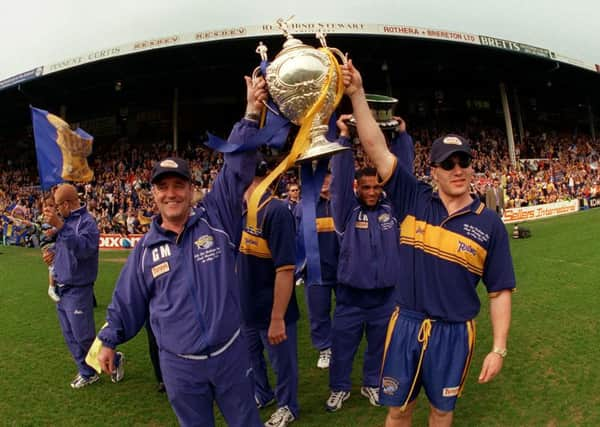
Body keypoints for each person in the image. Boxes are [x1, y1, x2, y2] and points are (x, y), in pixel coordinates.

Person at [342, 60, 516, 427]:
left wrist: (499, 349)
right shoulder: (413, 197)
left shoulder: (490, 225)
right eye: (447, 164)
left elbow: (500, 291)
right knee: (399, 411)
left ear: (471, 167)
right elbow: (375, 147)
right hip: (406, 323)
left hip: (455, 332)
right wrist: (357, 92)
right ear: (433, 170)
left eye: (463, 162)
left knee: (441, 412)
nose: (457, 170)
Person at [95, 76, 266, 427]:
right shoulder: (144, 250)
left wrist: (250, 114)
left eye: (178, 186)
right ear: (153, 195)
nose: (171, 194)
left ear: (191, 190)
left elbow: (236, 171)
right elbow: (126, 302)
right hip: (179, 365)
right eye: (163, 188)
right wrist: (108, 341)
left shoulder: (217, 218)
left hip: (230, 353)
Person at [325, 115, 400, 412]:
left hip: (385, 297)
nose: (371, 192)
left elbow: (399, 174)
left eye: (376, 187)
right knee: (343, 348)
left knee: (378, 348)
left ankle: (372, 383)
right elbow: (339, 184)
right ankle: (339, 388)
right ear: (357, 188)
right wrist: (344, 139)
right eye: (365, 187)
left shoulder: (391, 211)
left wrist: (399, 139)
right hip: (350, 298)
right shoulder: (345, 213)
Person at [238, 157, 299, 427]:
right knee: (251, 358)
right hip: (246, 306)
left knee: (282, 363)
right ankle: (263, 394)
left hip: (273, 307)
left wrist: (278, 317)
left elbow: (285, 269)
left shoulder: (277, 212)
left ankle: (288, 405)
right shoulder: (239, 210)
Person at [42, 183, 122, 389]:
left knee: (83, 336)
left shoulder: (87, 223)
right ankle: (87, 372)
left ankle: (115, 358)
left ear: (68, 204)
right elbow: (67, 251)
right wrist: (53, 255)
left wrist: (60, 227)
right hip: (62, 286)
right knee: (70, 336)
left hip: (78, 288)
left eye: (59, 205)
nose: (57, 209)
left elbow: (84, 250)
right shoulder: (67, 222)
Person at [295, 171, 338, 369]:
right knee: (318, 312)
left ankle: (343, 344)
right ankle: (325, 348)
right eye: (320, 177)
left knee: (347, 312)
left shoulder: (343, 203)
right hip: (315, 271)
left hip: (342, 270)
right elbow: (294, 239)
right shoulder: (303, 208)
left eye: (327, 176)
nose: (323, 181)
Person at [40, 195, 60, 303]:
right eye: (45, 205)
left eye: (51, 205)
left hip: (55, 244)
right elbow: (42, 230)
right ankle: (51, 287)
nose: (47, 208)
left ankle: (54, 286)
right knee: (52, 262)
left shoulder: (57, 217)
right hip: (48, 245)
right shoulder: (42, 218)